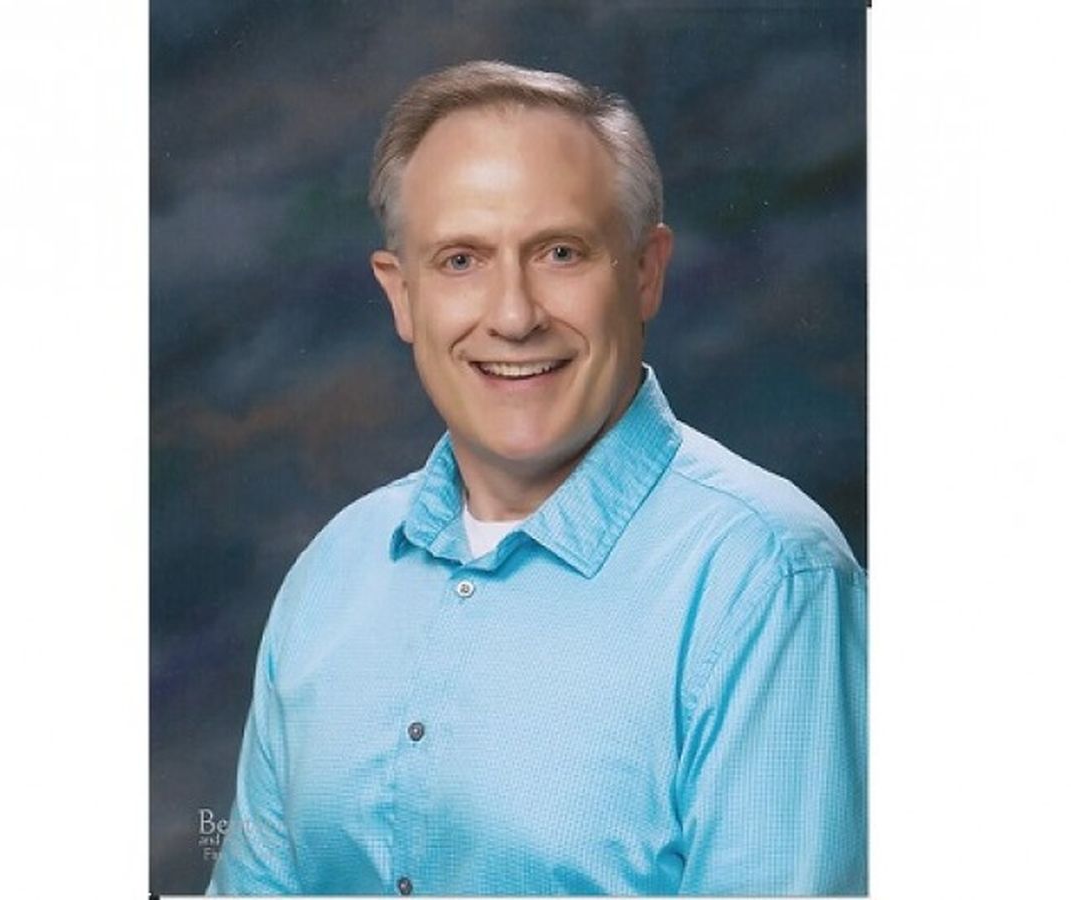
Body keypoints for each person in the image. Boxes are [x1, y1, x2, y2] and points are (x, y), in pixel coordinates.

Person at [208, 60, 866, 896]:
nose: (514, 315)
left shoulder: (768, 582)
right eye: (460, 260)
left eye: (560, 253)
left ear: (645, 271)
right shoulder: (334, 572)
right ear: (401, 294)